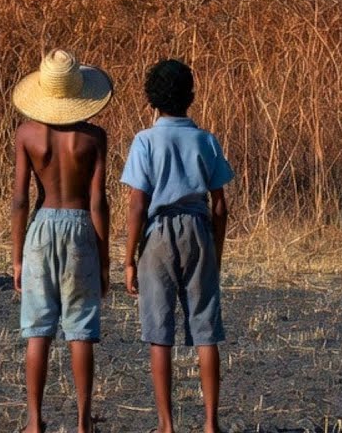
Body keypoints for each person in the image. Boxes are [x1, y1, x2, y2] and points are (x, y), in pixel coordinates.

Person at [121, 58, 232, 433]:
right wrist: (215, 249)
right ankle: (210, 423)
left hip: (158, 234)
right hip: (199, 228)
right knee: (205, 328)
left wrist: (129, 258)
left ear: (151, 100)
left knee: (158, 330)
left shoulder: (145, 140)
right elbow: (220, 204)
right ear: (191, 97)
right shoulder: (206, 140)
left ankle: (166, 425)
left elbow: (138, 203)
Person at [10, 49, 113, 433]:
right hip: (81, 228)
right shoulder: (93, 137)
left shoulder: (27, 133)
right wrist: (104, 259)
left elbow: (21, 198)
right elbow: (98, 201)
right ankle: (84, 423)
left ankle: (35, 422)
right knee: (81, 327)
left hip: (40, 228)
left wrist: (17, 256)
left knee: (38, 328)